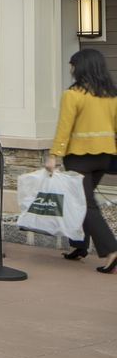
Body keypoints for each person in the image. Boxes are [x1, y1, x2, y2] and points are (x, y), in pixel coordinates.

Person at [45, 47, 117, 271]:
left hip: (79, 158)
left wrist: (53, 155)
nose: (71, 69)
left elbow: (64, 128)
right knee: (79, 200)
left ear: (81, 67)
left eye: (72, 65)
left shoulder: (72, 94)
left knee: (86, 205)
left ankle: (112, 251)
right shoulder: (110, 95)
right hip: (105, 156)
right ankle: (79, 246)